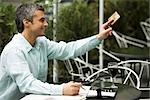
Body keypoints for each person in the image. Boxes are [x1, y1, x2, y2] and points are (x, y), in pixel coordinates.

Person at [0, 3, 113, 100]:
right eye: (41, 20)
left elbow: (69, 49)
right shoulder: (14, 51)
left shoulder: (41, 43)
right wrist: (62, 89)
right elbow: (27, 84)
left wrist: (99, 37)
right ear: (26, 23)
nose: (46, 24)